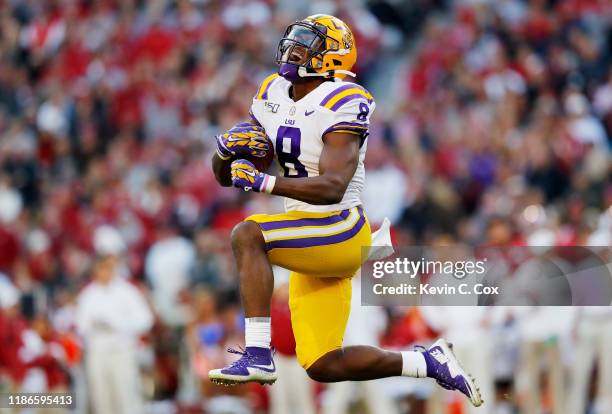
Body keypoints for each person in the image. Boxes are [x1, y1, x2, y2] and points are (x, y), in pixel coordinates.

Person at [208, 14, 482, 408]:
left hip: (339, 227)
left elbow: (333, 187)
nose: (293, 50)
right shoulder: (273, 91)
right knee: (322, 363)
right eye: (293, 41)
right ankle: (427, 361)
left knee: (248, 234)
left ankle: (256, 353)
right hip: (305, 235)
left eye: (308, 44)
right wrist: (224, 152)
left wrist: (265, 182)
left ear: (332, 56)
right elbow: (230, 175)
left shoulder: (343, 100)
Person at [76, 255, 153, 414]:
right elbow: (80, 325)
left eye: (106, 268)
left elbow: (146, 319)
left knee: (126, 396)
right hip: (97, 352)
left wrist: (118, 324)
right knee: (101, 398)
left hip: (121, 350)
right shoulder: (88, 295)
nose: (103, 272)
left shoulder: (126, 291)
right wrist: (95, 324)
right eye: (100, 269)